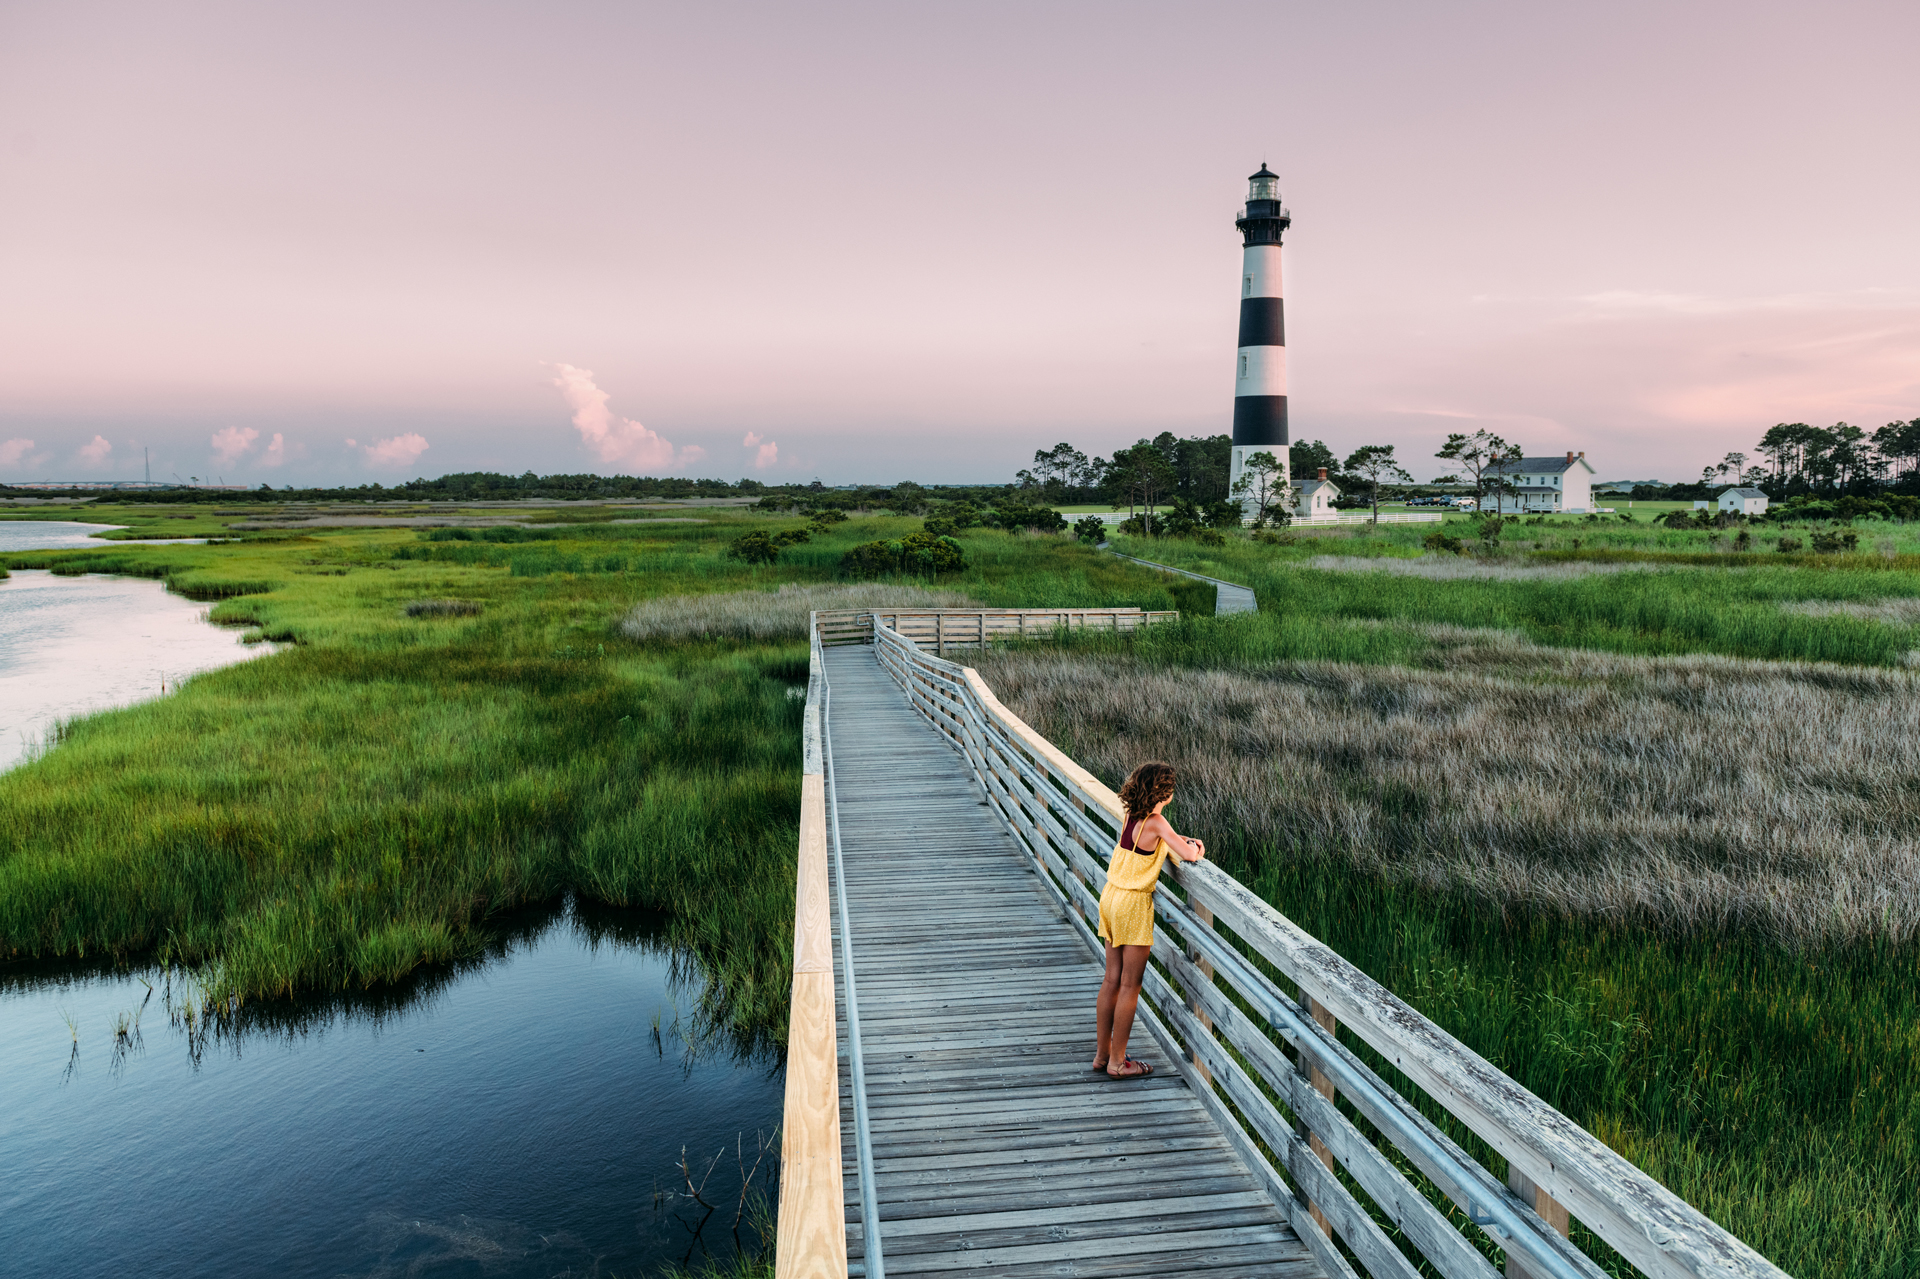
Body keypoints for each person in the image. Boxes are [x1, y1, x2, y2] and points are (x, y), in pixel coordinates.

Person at [1092, 761, 1205, 1079]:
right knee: (1130, 984)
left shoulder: (1132, 817)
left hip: (1111, 896)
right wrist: (1196, 846)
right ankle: (1118, 1063)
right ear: (1164, 793)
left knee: (1111, 980)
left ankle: (1102, 1055)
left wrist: (1176, 840)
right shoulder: (1156, 821)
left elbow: (1160, 842)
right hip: (1132, 905)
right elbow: (1190, 854)